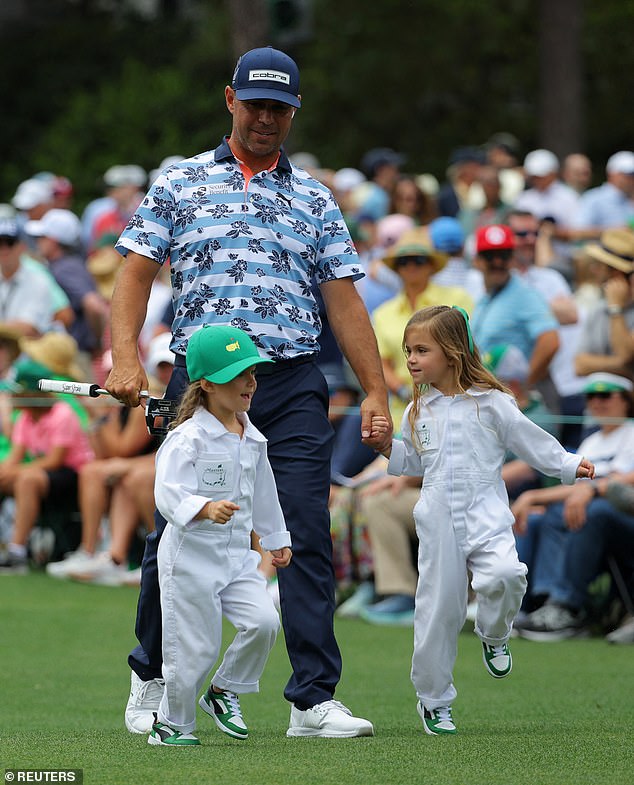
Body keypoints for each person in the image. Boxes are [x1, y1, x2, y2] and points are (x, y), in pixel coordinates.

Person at [105, 46, 391, 739]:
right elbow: (135, 274)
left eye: (279, 108)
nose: (266, 118)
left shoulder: (314, 198)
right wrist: (124, 357)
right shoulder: (180, 183)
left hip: (289, 379)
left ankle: (312, 699)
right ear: (230, 99)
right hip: (199, 383)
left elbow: (345, 303)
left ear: (295, 111)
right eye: (255, 104)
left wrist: (377, 389)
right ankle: (152, 675)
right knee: (178, 524)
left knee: (303, 530)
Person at [370, 305, 594, 735]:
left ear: (452, 352)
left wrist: (568, 464)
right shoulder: (418, 410)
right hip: (436, 516)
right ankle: (433, 701)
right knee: (437, 611)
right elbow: (412, 461)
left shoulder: (494, 404)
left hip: (487, 510)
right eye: (407, 351)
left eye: (421, 350)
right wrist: (385, 447)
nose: (411, 359)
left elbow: (531, 441)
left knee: (506, 576)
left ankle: (495, 632)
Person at [147, 325, 292, 746]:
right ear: (206, 383)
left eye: (253, 372)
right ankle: (172, 724)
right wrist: (203, 508)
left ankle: (225, 689)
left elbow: (264, 492)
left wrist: (275, 536)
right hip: (189, 559)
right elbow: (167, 493)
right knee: (194, 648)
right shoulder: (185, 438)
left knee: (264, 623)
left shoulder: (253, 436)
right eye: (237, 374)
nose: (250, 382)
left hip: (237, 559)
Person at [512, 372, 634, 638]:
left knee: (593, 512)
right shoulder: (592, 441)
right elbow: (574, 490)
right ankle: (543, 603)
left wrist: (590, 489)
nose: (597, 402)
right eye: (591, 396)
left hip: (624, 516)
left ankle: (568, 607)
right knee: (544, 515)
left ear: (626, 400)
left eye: (605, 395)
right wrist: (532, 498)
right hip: (594, 510)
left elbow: (626, 479)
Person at [0, 355, 94, 573]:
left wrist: (13, 472)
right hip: (44, 474)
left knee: (27, 480)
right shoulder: (25, 417)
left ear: (32, 393)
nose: (12, 396)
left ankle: (17, 553)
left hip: (73, 477)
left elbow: (55, 460)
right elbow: (15, 456)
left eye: (17, 391)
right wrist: (5, 472)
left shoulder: (62, 414)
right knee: (15, 476)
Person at [574, 228, 634, 380]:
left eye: (599, 265)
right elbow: (579, 365)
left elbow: (624, 354)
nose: (593, 270)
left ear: (617, 272)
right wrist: (624, 368)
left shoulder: (610, 308)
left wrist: (616, 309)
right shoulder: (599, 309)